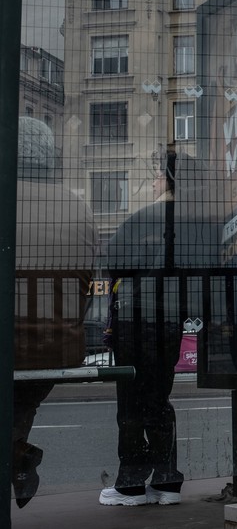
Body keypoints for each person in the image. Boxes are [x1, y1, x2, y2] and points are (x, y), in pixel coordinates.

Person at [12, 117, 97, 508]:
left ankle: (19, 457)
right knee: (24, 397)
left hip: (10, 344)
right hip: (57, 346)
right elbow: (86, 285)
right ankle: (17, 457)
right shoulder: (78, 207)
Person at [99, 151, 185, 506]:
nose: (151, 183)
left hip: (136, 322)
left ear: (166, 180)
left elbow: (112, 265)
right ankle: (166, 480)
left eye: (154, 177)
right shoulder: (192, 223)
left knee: (132, 403)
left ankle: (131, 483)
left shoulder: (141, 220)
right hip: (170, 323)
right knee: (159, 399)